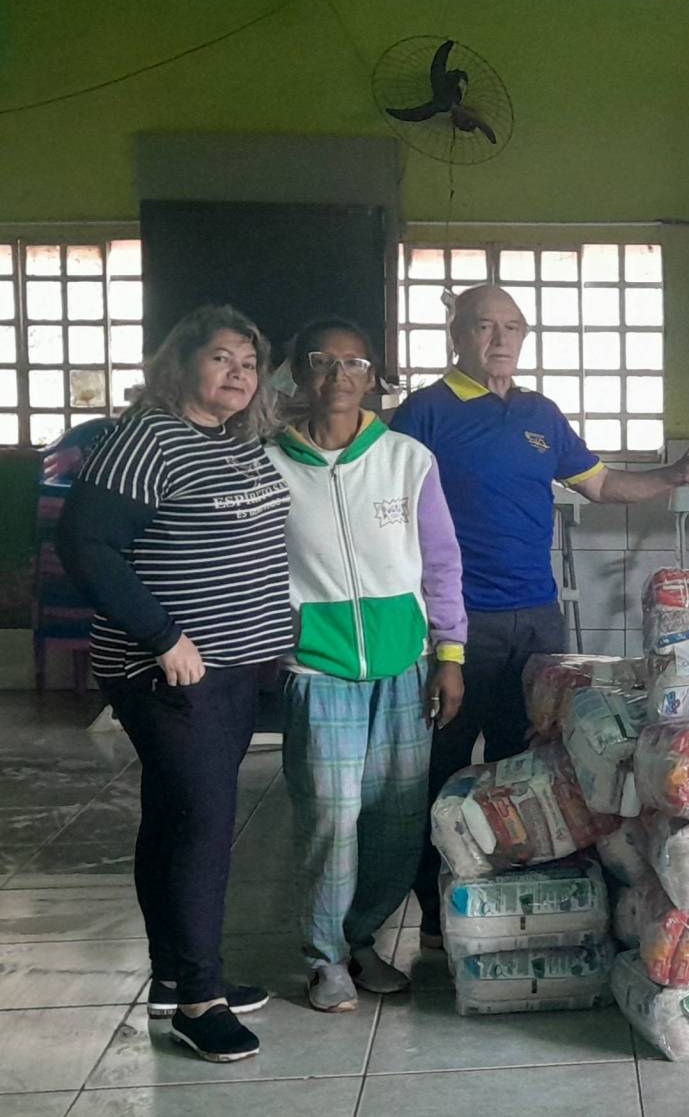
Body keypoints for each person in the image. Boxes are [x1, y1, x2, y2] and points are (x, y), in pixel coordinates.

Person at [390, 283, 689, 943]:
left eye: (513, 327)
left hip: (537, 616)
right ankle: (433, 909)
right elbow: (389, 508)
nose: (500, 339)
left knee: (526, 765)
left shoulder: (540, 413)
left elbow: (600, 483)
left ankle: (509, 897)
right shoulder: (425, 412)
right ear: (457, 334)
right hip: (458, 621)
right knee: (443, 765)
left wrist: (672, 475)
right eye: (485, 325)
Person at [56, 305, 291, 1063]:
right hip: (173, 672)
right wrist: (163, 637)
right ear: (181, 363)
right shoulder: (148, 437)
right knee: (201, 826)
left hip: (229, 670)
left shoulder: (230, 441)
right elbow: (85, 544)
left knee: (175, 818)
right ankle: (199, 999)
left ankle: (175, 974)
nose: (237, 373)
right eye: (221, 357)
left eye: (248, 363)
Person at [266, 319, 467, 1013]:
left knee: (396, 820)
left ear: (373, 378)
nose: (339, 375)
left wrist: (449, 654)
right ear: (299, 374)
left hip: (403, 666)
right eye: (323, 360)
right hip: (317, 671)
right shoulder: (268, 465)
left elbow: (441, 564)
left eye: (355, 363)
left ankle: (359, 940)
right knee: (330, 815)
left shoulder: (407, 459)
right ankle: (323, 957)